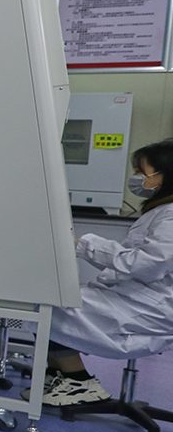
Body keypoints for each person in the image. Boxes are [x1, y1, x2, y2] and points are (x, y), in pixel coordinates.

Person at [40, 139, 173, 406]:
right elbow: (133, 264)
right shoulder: (160, 211)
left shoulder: (171, 215)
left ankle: (78, 381)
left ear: (166, 176)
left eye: (142, 172)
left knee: (52, 305)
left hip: (149, 308)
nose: (136, 177)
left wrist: (87, 244)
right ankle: (59, 376)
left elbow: (149, 264)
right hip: (136, 297)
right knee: (50, 299)